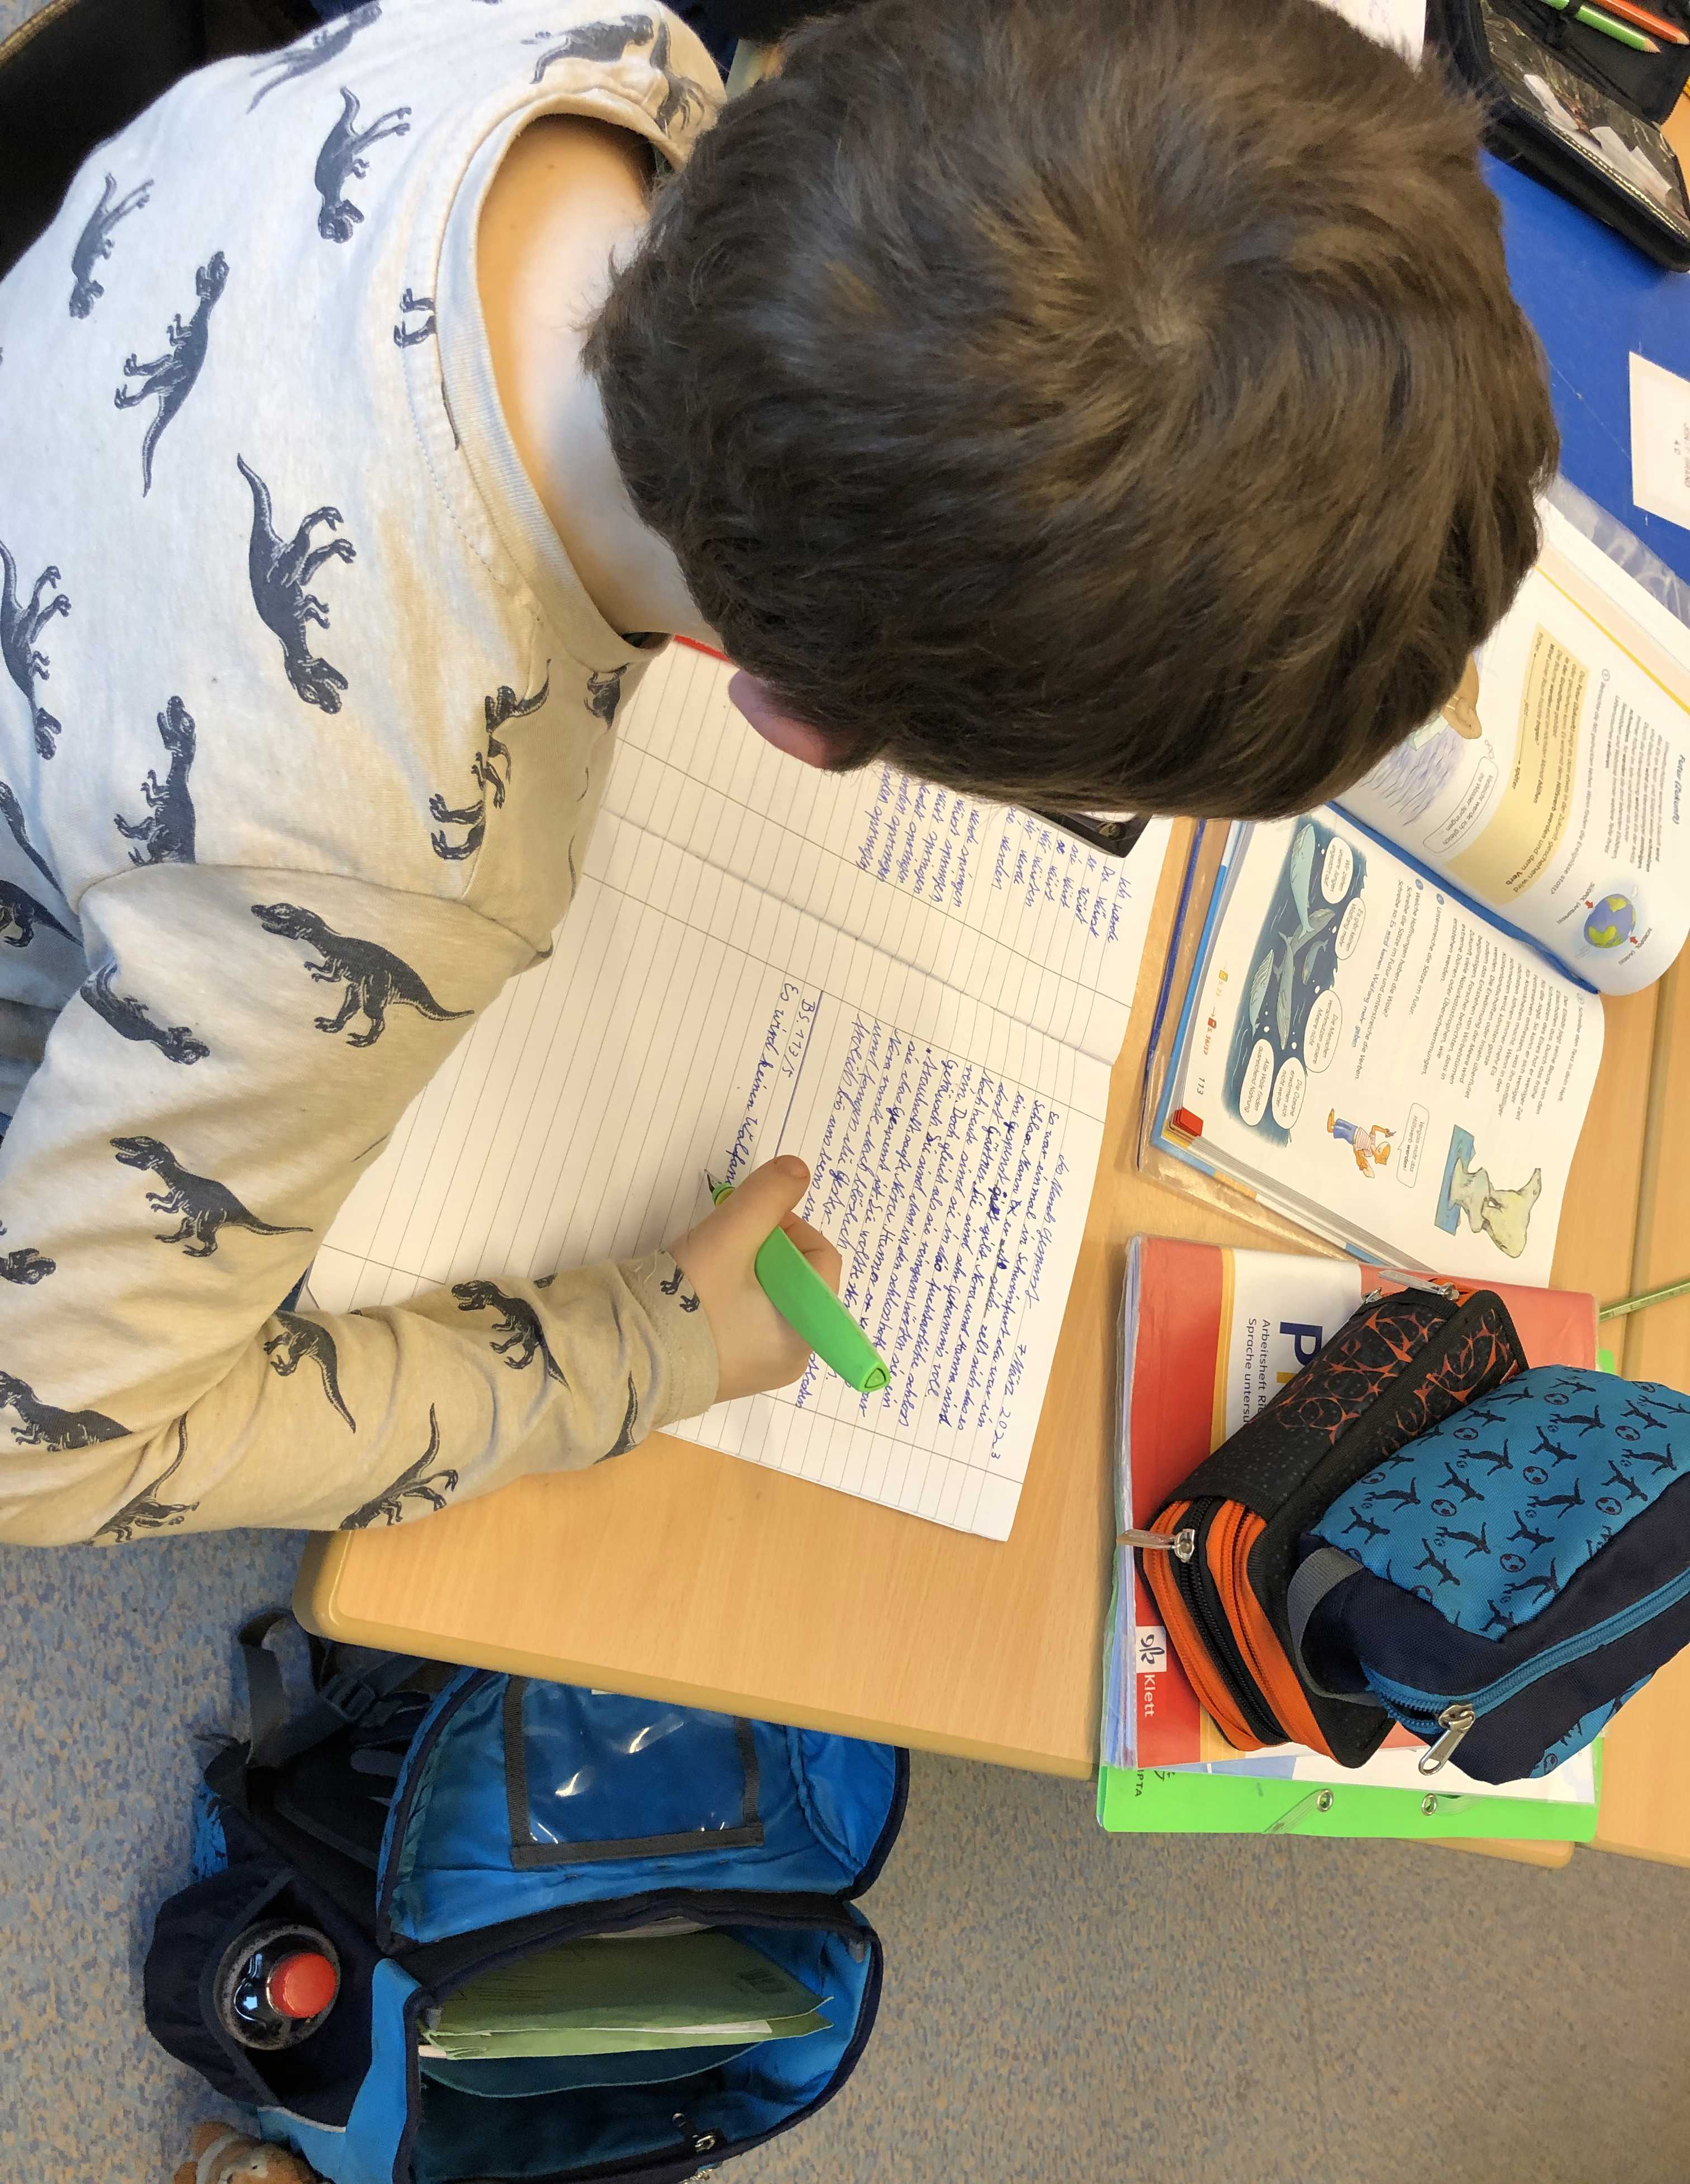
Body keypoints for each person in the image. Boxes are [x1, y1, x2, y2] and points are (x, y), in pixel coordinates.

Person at [0, 0, 1556, 1543]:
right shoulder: (383, 880)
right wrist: (648, 1347)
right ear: (798, 724)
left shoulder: (613, 56)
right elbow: (43, 1453)